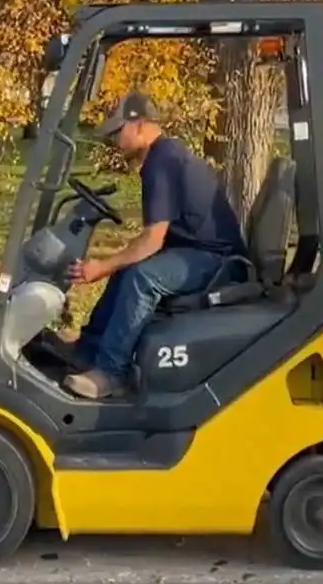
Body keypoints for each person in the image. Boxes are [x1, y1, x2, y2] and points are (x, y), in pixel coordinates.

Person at [59, 91, 248, 400]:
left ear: (140, 125)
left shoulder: (163, 161)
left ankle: (112, 373)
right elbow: (152, 240)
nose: (114, 140)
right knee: (130, 267)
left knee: (142, 277)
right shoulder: (162, 157)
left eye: (118, 131)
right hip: (195, 251)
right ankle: (88, 350)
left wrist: (101, 267)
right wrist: (114, 264)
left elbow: (152, 240)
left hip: (218, 260)